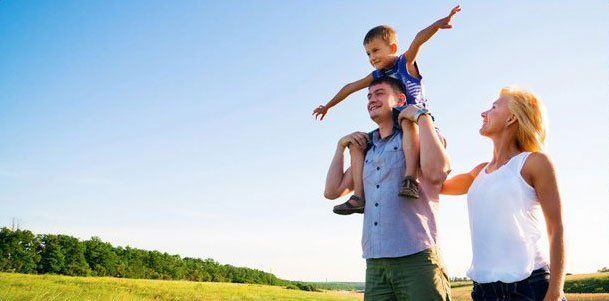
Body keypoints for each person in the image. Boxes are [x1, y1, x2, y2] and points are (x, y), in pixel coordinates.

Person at [314, 6, 461, 215]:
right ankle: (359, 196)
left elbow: (418, 40)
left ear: (392, 48)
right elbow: (350, 87)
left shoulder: (404, 63)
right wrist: (328, 105)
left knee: (405, 120)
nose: (372, 57)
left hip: (414, 119)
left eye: (376, 50)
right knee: (358, 143)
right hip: (392, 126)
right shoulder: (377, 75)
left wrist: (438, 24)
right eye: (368, 54)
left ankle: (409, 178)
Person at [323, 76, 452, 300]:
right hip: (375, 263)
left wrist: (422, 117)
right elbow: (332, 191)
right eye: (369, 96)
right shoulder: (366, 149)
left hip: (416, 257)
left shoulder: (419, 135)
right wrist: (340, 146)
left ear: (401, 98)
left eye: (379, 93)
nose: (372, 100)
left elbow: (437, 172)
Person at [441, 87, 566, 300]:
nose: (484, 113)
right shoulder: (478, 172)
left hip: (529, 286)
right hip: (484, 291)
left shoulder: (534, 163)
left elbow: (556, 229)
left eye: (493, 107)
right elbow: (436, 185)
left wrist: (554, 292)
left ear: (512, 119)